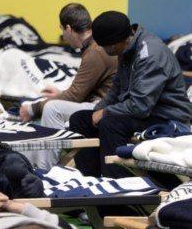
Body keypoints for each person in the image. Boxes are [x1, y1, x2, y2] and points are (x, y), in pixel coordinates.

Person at [69, 11, 192, 178]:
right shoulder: (127, 47)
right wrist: (97, 111)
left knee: (110, 123)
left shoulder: (150, 54)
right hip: (145, 112)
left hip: (167, 116)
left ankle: (119, 187)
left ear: (113, 45)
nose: (103, 50)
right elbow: (116, 89)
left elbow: (140, 106)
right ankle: (92, 180)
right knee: (80, 120)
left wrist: (105, 112)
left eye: (103, 46)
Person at [20, 3, 116, 169]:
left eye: (62, 30)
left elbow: (74, 96)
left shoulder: (95, 51)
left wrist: (33, 108)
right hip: (101, 103)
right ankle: (35, 164)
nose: (63, 36)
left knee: (51, 109)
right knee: (50, 106)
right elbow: (81, 90)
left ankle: (46, 169)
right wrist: (60, 94)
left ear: (69, 29)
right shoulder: (95, 46)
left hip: (102, 108)